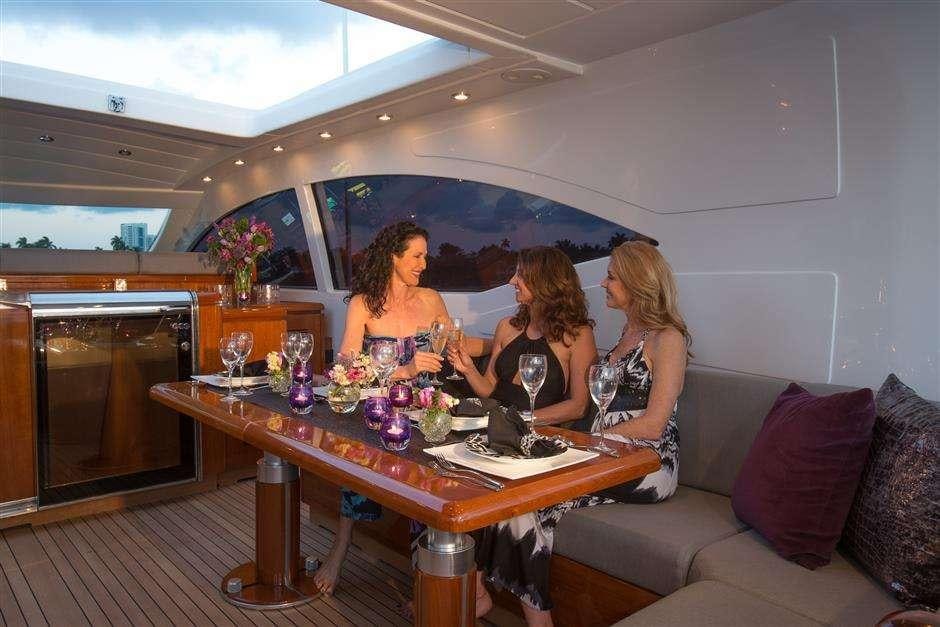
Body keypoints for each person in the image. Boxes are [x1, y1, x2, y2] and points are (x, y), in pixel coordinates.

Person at [465, 241, 692, 626]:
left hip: (647, 462)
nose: (603, 284)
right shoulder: (626, 335)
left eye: (612, 277)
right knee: (516, 502)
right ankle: (484, 597)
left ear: (636, 283)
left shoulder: (666, 338)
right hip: (604, 453)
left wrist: (584, 443)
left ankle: (480, 594)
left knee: (526, 501)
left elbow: (654, 423)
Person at [313, 221, 487, 595]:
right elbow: (346, 363)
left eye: (426, 256)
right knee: (360, 448)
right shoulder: (364, 304)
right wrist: (403, 370)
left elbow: (457, 343)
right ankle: (340, 547)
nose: (424, 263)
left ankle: (427, 578)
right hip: (387, 400)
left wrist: (504, 342)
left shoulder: (431, 298)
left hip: (431, 403)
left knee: (433, 471)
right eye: (417, 256)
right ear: (393, 257)